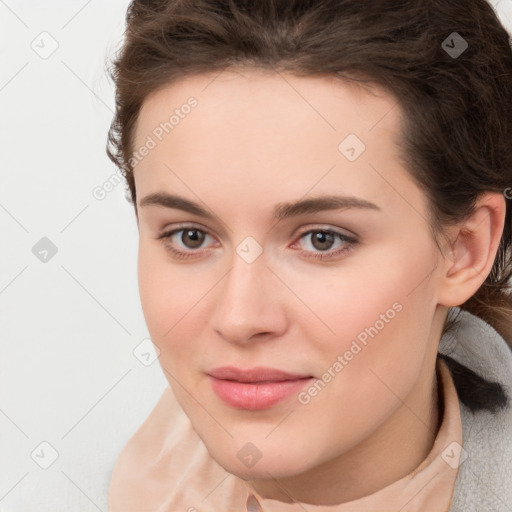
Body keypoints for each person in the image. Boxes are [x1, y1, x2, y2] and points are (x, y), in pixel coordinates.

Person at [105, 1, 512, 510]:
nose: (239, 318)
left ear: (463, 250)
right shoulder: (145, 476)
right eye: (190, 236)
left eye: (323, 239)